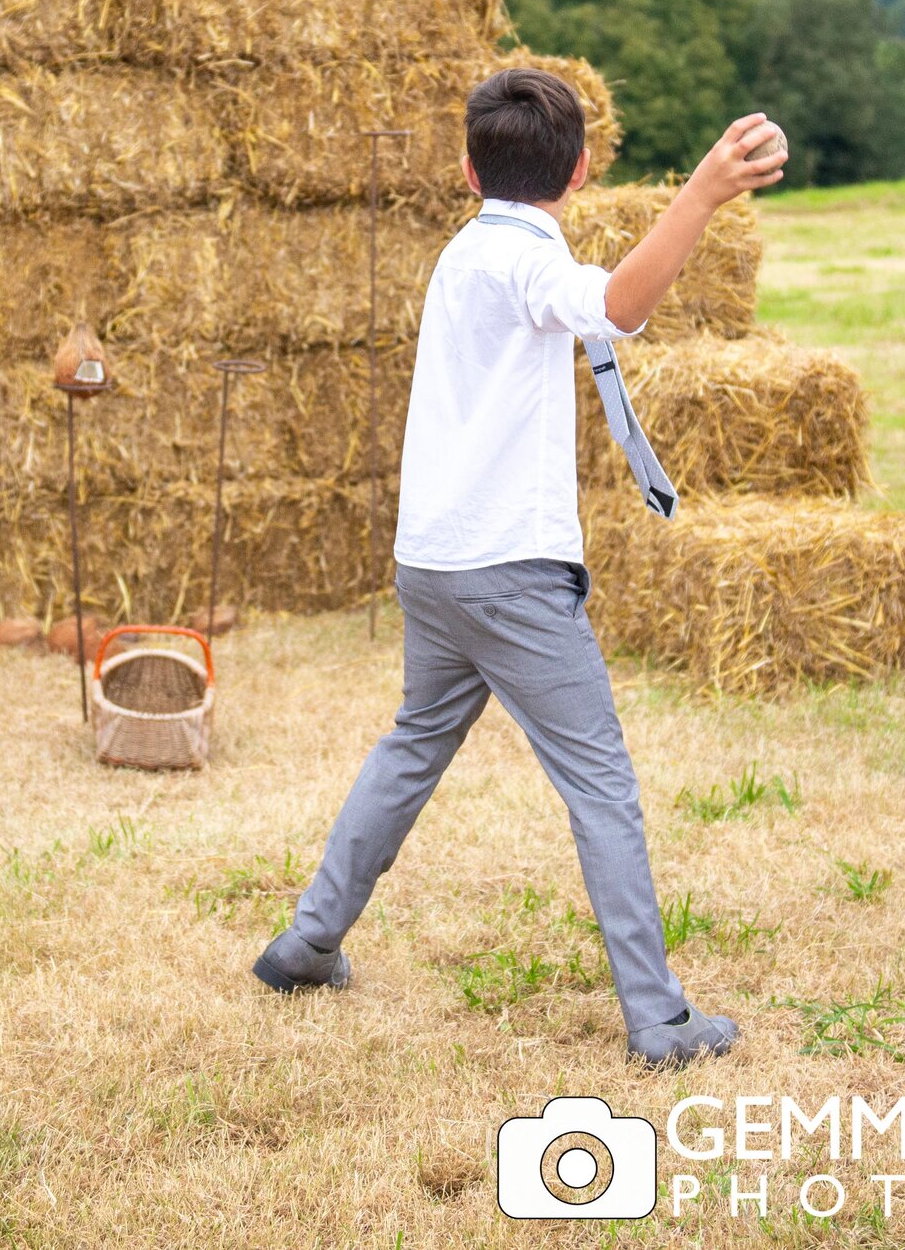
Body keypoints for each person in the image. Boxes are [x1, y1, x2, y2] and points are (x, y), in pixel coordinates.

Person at [253, 67, 786, 1069]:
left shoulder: (464, 253)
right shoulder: (525, 265)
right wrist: (702, 192)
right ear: (581, 171)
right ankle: (661, 1022)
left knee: (411, 745)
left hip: (433, 562)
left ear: (466, 169)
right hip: (510, 571)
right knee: (600, 784)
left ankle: (306, 943)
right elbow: (619, 306)